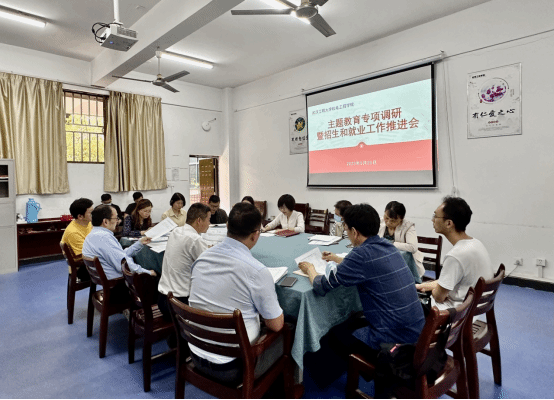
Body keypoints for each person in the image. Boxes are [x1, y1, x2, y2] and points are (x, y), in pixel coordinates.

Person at [298, 203, 425, 362]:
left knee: (332, 335)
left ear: (354, 232)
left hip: (395, 341)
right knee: (352, 322)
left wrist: (310, 269)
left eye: (346, 230)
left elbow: (321, 286)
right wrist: (337, 259)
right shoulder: (388, 246)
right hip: (417, 330)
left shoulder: (361, 254)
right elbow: (367, 265)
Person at [187, 202, 284, 383]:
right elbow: (276, 325)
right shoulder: (257, 271)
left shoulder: (201, 259)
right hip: (233, 367)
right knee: (288, 329)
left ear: (227, 226)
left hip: (195, 353)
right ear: (256, 235)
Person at [416, 197, 494, 310]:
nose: (432, 220)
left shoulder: (455, 256)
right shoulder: (476, 244)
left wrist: (433, 291)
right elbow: (448, 282)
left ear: (449, 223)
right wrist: (422, 286)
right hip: (475, 307)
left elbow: (438, 297)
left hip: (454, 313)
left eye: (435, 216)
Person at [158, 203, 211, 321]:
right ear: (199, 221)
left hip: (163, 299)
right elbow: (209, 268)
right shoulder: (195, 239)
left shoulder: (176, 231)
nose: (209, 223)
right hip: (180, 304)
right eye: (208, 219)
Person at [82, 205, 155, 281]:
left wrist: (140, 243)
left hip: (106, 279)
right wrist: (148, 272)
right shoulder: (104, 237)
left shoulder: (93, 234)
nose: (117, 221)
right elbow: (124, 265)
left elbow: (121, 254)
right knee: (155, 276)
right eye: (116, 218)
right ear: (105, 222)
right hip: (117, 282)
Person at [378, 201, 425, 283]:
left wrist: (391, 243)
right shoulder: (379, 221)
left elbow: (413, 247)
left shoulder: (408, 226)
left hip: (405, 264)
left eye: (393, 221)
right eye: (386, 218)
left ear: (401, 219)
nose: (388, 222)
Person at [61, 198, 94, 280]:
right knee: (117, 269)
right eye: (91, 212)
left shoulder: (88, 223)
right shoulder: (73, 232)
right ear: (80, 216)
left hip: (89, 260)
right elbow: (85, 255)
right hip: (82, 267)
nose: (95, 214)